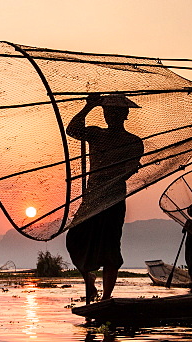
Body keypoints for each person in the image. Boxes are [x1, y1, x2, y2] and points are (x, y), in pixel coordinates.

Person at [64, 93, 144, 303]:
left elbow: (128, 169)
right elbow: (72, 130)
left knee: (110, 249)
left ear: (125, 115)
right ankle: (90, 284)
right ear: (104, 114)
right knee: (75, 239)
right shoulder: (97, 134)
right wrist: (88, 106)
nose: (112, 116)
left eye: (117, 112)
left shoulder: (133, 142)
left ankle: (106, 297)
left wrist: (120, 174)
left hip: (114, 200)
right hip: (92, 197)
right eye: (108, 112)